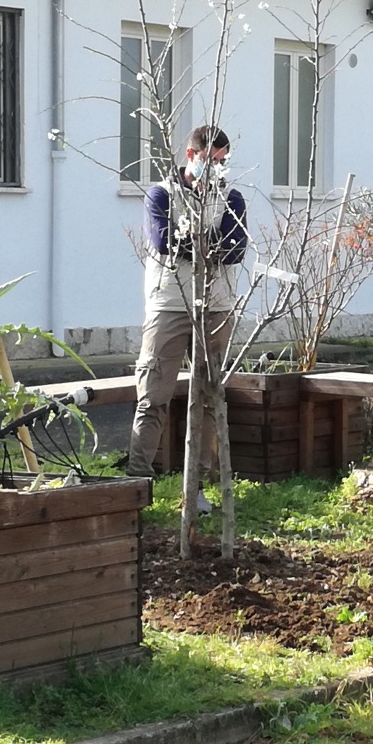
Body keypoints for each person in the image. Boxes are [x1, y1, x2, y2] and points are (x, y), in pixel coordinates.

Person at [126, 125, 247, 512]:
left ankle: (195, 490)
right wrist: (204, 245)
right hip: (169, 304)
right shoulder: (162, 194)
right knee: (153, 396)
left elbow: (235, 248)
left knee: (209, 397)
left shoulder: (232, 198)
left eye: (224, 161)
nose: (219, 168)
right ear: (190, 155)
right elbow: (164, 242)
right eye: (212, 160)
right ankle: (136, 484)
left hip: (216, 304)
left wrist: (195, 246)